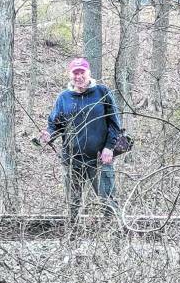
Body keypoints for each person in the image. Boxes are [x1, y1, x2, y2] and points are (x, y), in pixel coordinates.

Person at [40, 57, 122, 219]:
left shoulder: (102, 92)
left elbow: (114, 124)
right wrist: (49, 133)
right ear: (70, 75)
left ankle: (114, 238)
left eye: (82, 72)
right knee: (73, 203)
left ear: (88, 73)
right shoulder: (64, 97)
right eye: (75, 73)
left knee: (108, 200)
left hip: (99, 159)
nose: (79, 76)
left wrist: (109, 147)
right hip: (72, 160)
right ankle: (73, 237)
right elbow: (56, 124)